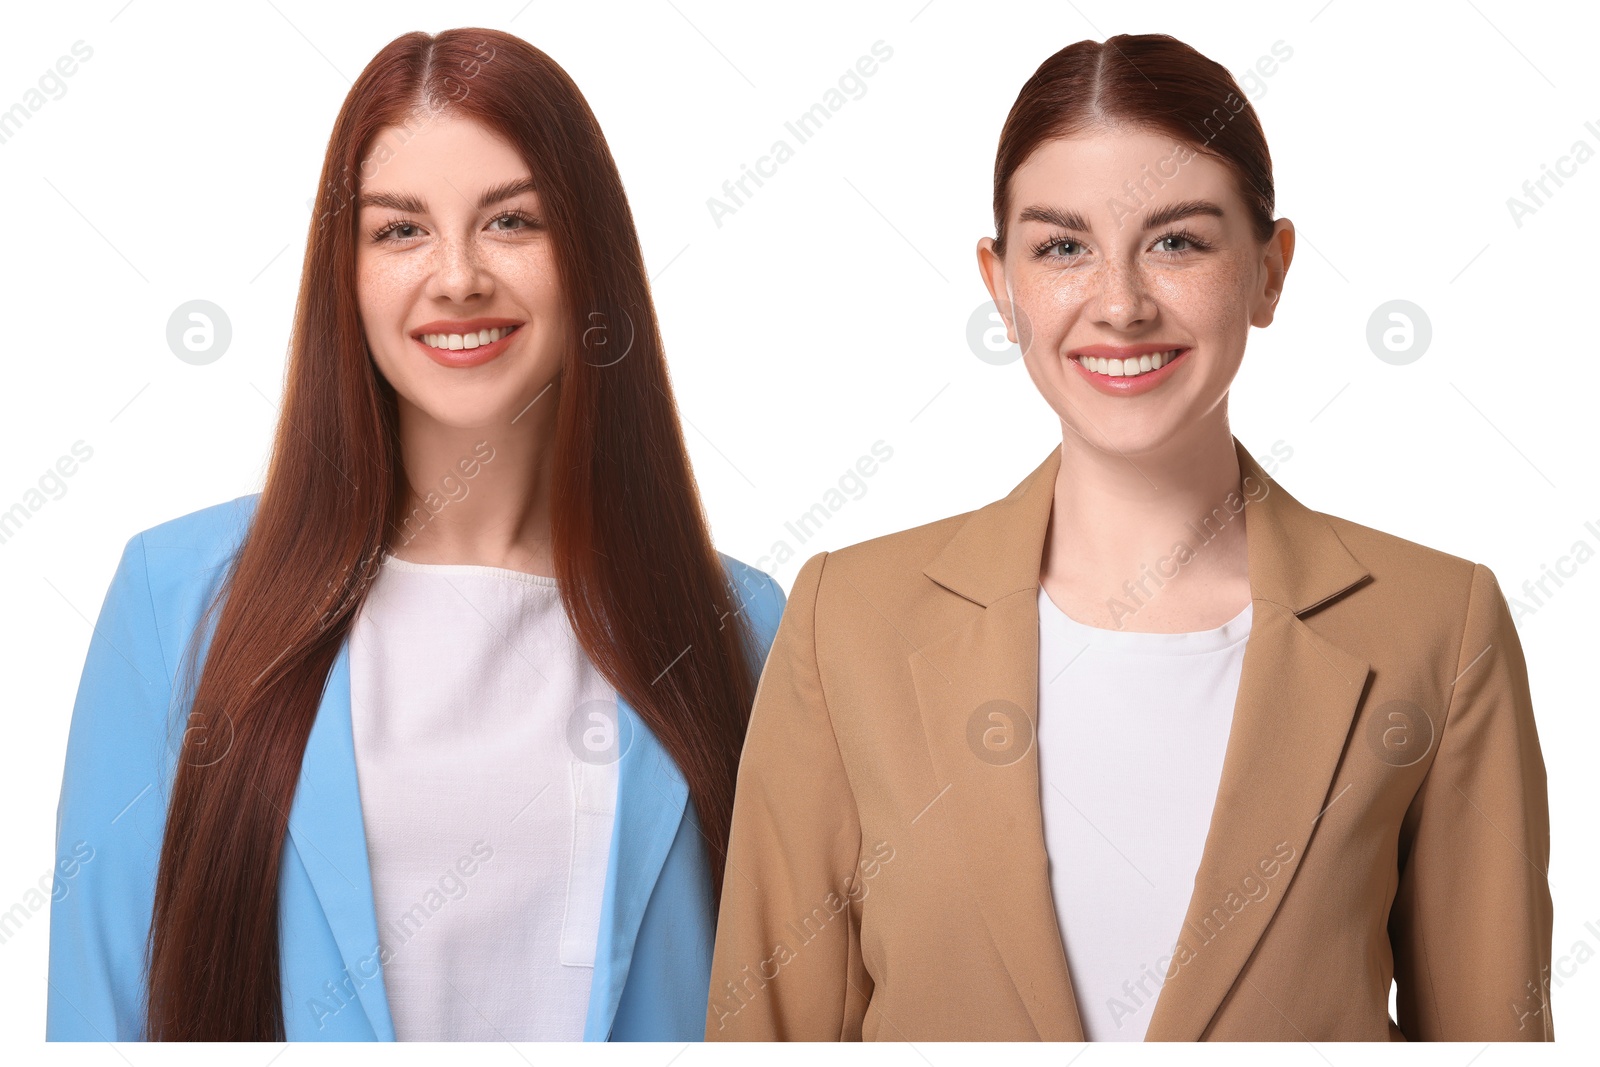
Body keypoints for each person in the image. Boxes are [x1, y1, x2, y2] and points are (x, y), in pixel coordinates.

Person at [705, 33, 1552, 1041]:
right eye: (1061, 246)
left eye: (1178, 241)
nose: (1119, 304)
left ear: (1270, 271)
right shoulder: (846, 620)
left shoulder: (1437, 627)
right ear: (1001, 280)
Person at [48, 27, 784, 1042]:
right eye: (400, 231)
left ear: (591, 255)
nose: (458, 277)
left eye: (512, 221)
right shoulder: (175, 600)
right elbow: (98, 1020)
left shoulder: (745, 627)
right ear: (343, 275)